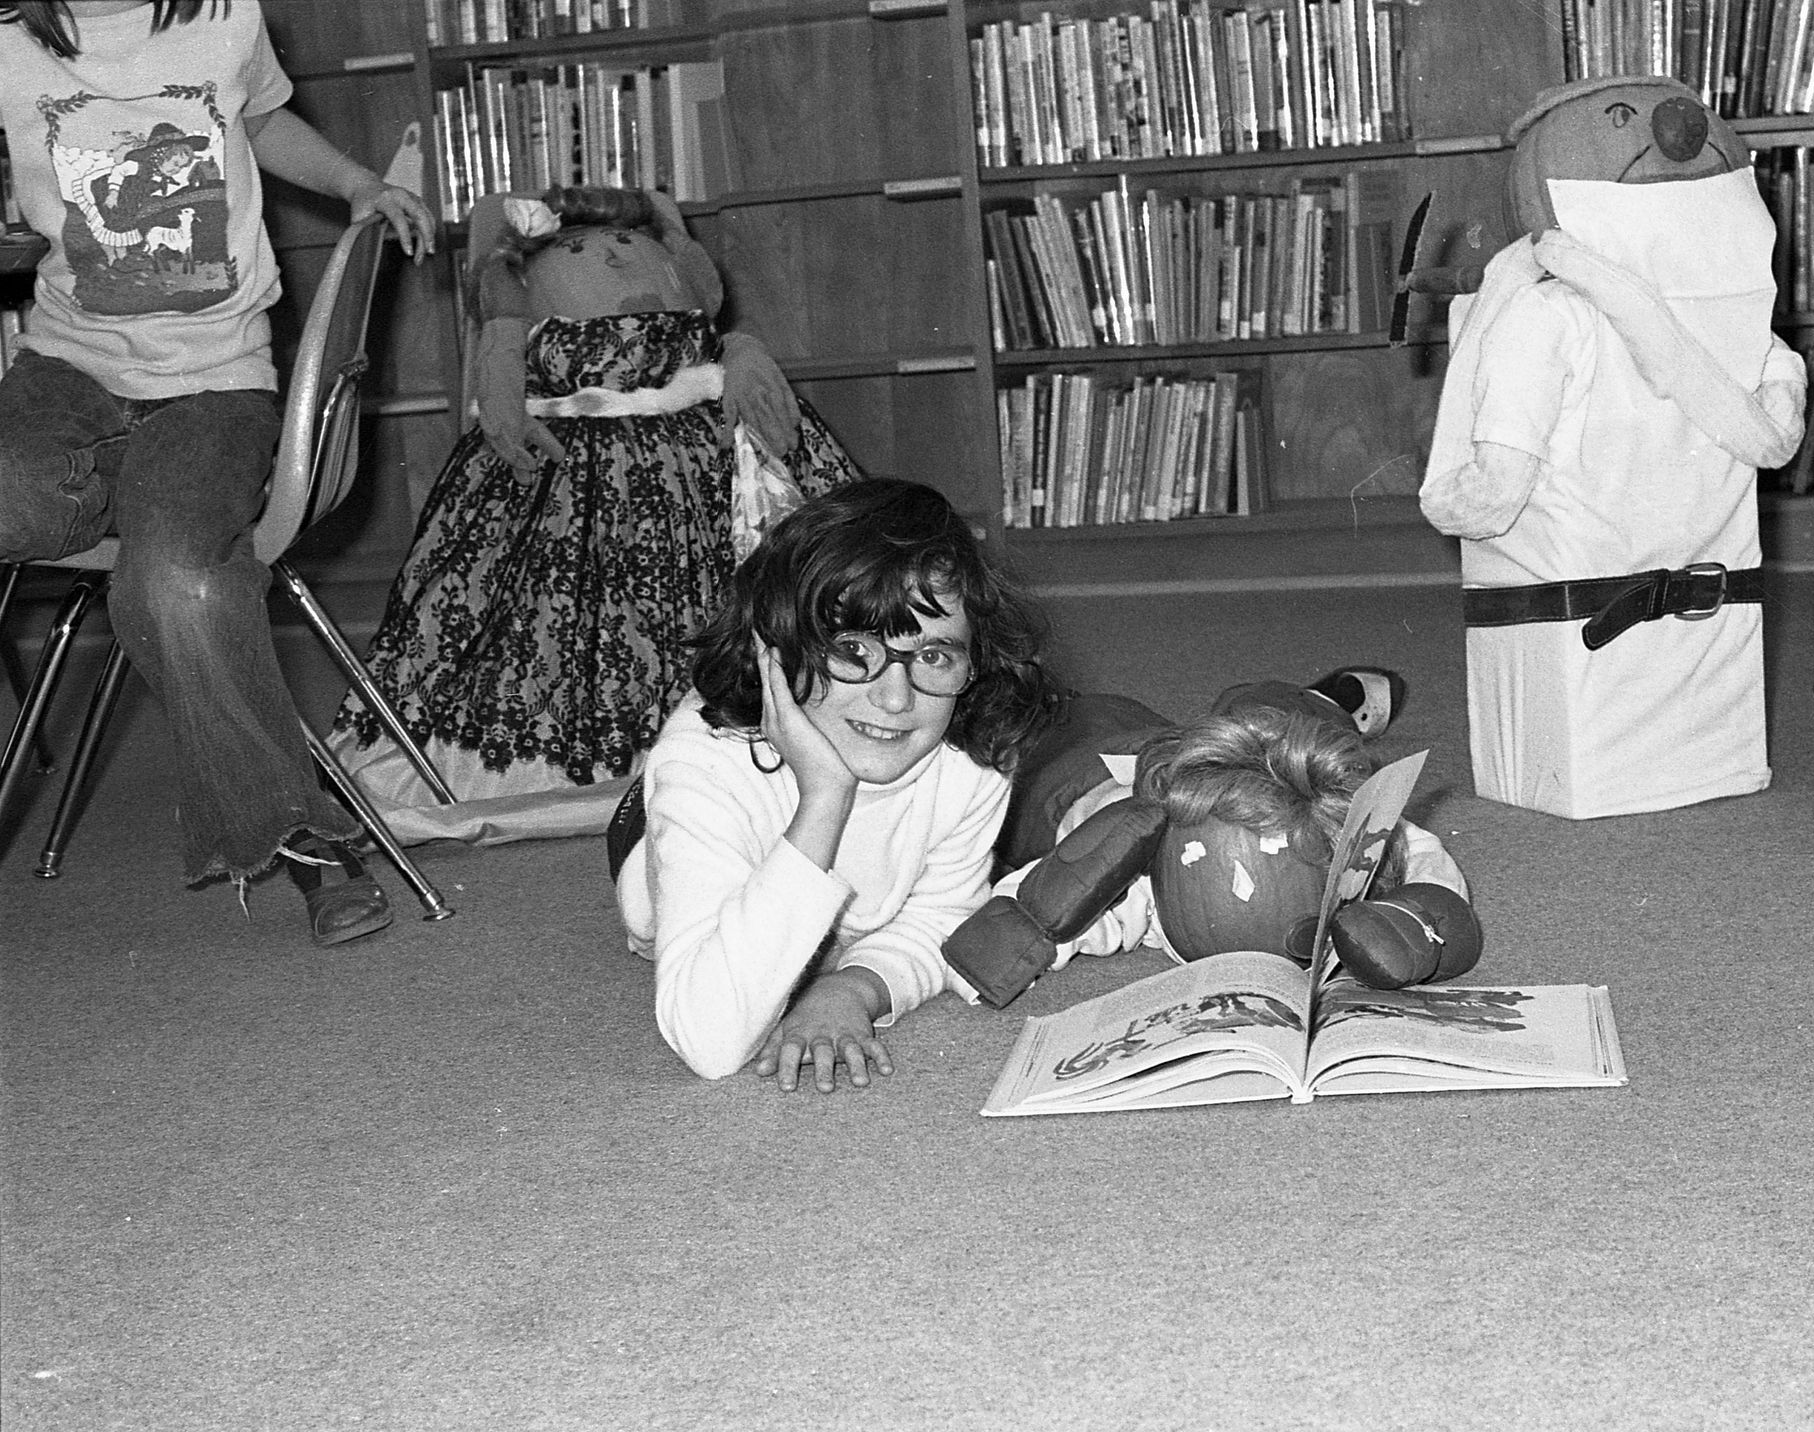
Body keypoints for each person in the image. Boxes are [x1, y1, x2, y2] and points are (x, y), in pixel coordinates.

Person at [0, 0, 437, 945]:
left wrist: (357, 183)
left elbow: (262, 120)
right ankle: (141, 506)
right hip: (65, 371)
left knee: (179, 582)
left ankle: (300, 835)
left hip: (214, 385)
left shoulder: (227, 17)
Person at [328, 185, 861, 841]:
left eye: (627, 243)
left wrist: (741, 352)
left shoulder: (696, 318)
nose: (612, 258)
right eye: (580, 249)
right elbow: (500, 279)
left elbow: (714, 327)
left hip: (705, 454)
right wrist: (502, 341)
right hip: (566, 467)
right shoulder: (525, 319)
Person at [611, 477, 1063, 1092]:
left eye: (934, 656)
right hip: (672, 823)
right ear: (777, 647)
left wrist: (855, 987)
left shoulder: (973, 751)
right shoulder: (705, 765)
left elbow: (941, 916)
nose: (895, 698)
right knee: (657, 907)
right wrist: (825, 797)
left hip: (854, 886)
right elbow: (709, 1041)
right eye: (853, 649)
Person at [943, 672, 1480, 1010]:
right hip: (1067, 766)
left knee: (1273, 723)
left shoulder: (1330, 819)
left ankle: (1320, 699)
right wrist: (1010, 946)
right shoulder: (1141, 873)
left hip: (1201, 753)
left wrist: (1411, 919)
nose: (1245, 888)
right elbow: (1048, 896)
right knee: (1016, 753)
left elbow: (1412, 846)